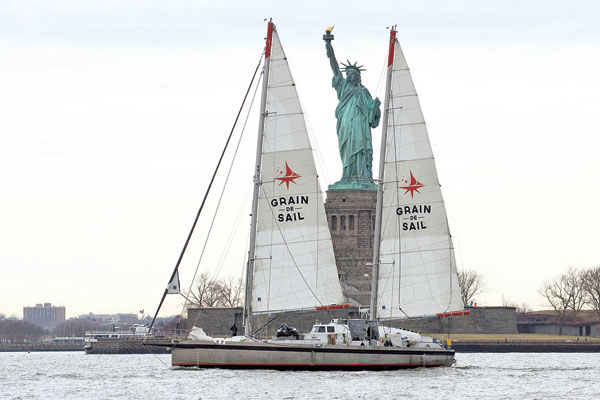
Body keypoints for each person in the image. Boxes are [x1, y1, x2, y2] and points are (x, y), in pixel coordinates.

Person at [325, 40, 381, 185]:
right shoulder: (343, 87)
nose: (350, 76)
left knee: (361, 148)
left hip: (360, 125)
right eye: (348, 73)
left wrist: (375, 109)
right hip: (345, 123)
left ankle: (362, 176)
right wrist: (329, 48)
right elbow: (335, 68)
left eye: (352, 74)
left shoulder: (363, 91)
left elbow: (372, 115)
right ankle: (347, 176)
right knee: (347, 149)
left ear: (358, 76)